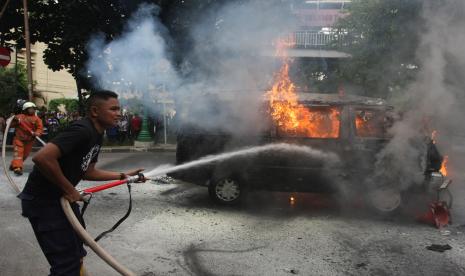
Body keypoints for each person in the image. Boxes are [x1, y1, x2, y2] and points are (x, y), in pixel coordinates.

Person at [18, 90, 146, 275]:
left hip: (60, 198)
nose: (119, 113)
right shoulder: (82, 130)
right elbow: (43, 158)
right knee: (66, 264)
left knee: (77, 251)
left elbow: (88, 171)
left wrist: (122, 176)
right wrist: (70, 190)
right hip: (44, 202)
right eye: (113, 109)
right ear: (95, 111)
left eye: (119, 109)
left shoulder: (96, 134)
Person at [10, 102, 44, 175]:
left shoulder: (37, 119)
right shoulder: (19, 117)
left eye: (33, 109)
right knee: (19, 153)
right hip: (19, 139)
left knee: (25, 155)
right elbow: (10, 125)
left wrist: (37, 133)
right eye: (30, 109)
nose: (32, 110)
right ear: (25, 109)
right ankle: (17, 168)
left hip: (29, 140)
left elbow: (40, 128)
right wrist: (13, 120)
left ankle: (13, 164)